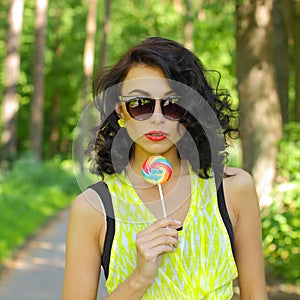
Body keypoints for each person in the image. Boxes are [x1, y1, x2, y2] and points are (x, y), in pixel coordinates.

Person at [62, 37, 268, 299]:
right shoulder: (94, 208)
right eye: (140, 104)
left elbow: (255, 295)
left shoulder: (233, 190)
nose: (157, 117)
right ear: (120, 110)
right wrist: (139, 279)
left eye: (172, 104)